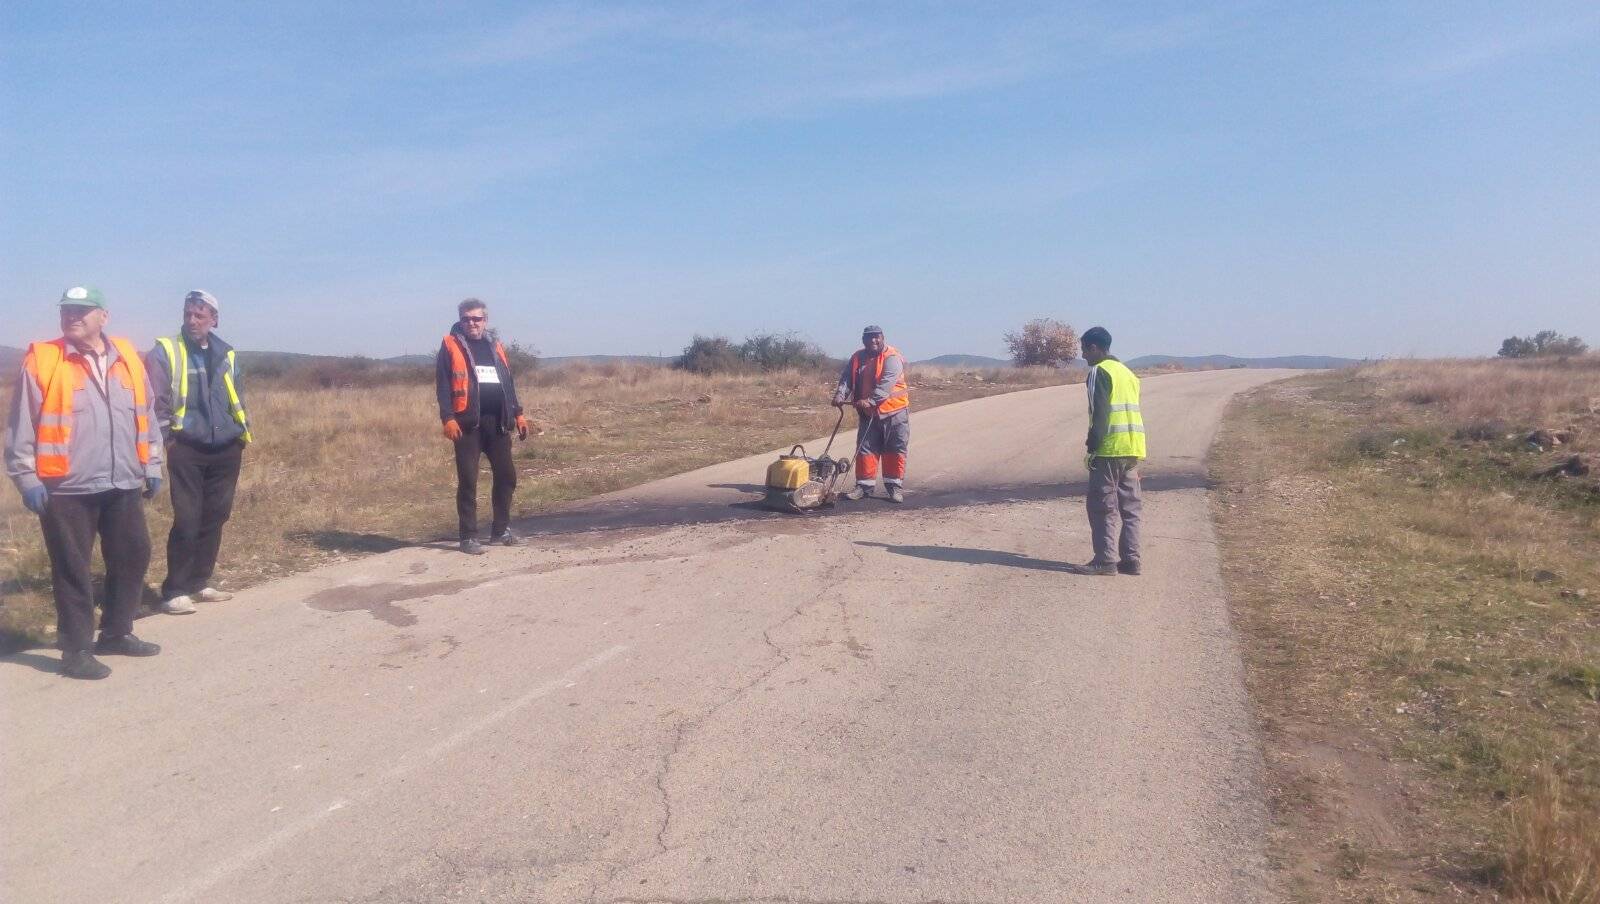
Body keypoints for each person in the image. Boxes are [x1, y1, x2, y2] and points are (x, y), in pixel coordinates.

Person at [4, 286, 165, 679]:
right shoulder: (43, 361)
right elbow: (21, 426)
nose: (72, 316)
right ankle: (75, 650)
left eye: (82, 310)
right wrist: (26, 478)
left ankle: (116, 632)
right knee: (72, 569)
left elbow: (146, 414)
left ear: (103, 316)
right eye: (67, 310)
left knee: (133, 556)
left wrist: (154, 464)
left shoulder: (128, 357)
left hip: (123, 479)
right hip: (66, 488)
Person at [145, 290, 251, 615]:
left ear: (213, 320)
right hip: (187, 447)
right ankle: (175, 589)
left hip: (227, 447)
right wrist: (168, 439)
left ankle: (200, 581)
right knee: (188, 518)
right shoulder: (166, 351)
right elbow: (156, 400)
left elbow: (237, 396)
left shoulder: (227, 353)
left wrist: (240, 433)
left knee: (216, 515)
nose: (192, 321)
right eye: (188, 314)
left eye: (200, 315)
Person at [436, 298, 528, 554]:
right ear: (460, 320)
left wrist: (518, 414)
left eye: (477, 318)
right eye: (466, 318)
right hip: (467, 426)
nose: (472, 323)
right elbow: (443, 385)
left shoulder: (494, 345)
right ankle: (468, 536)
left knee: (507, 476)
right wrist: (448, 417)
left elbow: (507, 383)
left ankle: (500, 530)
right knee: (468, 480)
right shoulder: (451, 345)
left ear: (485, 320)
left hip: (497, 423)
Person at [1077, 326, 1146, 576]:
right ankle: (1131, 560)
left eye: (1084, 349)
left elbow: (1101, 414)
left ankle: (1105, 560)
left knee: (1102, 506)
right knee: (1130, 508)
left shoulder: (1099, 371)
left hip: (1108, 451)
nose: (1083, 355)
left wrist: (1092, 447)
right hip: (1132, 449)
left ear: (1094, 348)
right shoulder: (1127, 373)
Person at [832, 325, 910, 503]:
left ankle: (894, 488)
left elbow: (886, 384)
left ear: (883, 338)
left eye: (876, 337)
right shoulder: (857, 357)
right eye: (869, 338)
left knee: (894, 450)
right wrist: (840, 395)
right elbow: (846, 378)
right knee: (866, 451)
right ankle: (863, 487)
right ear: (863, 340)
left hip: (894, 413)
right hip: (868, 414)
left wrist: (871, 401)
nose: (873, 340)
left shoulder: (892, 357)